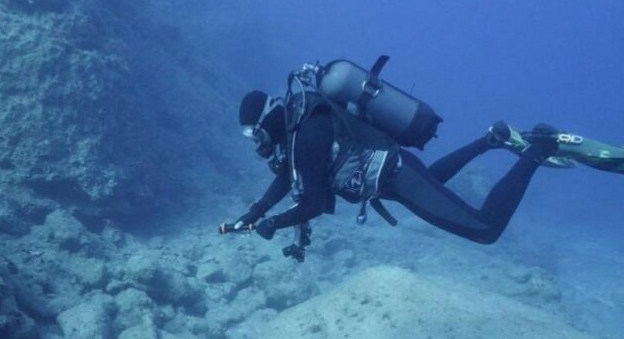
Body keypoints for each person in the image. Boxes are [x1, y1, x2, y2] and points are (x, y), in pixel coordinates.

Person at [232, 89, 560, 247]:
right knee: (430, 180)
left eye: (252, 132)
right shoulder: (299, 131)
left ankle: (537, 151)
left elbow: (313, 204)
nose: (255, 140)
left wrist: (274, 222)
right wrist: (256, 211)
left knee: (486, 229)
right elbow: (287, 178)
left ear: (266, 120)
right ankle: (490, 140)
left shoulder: (306, 135)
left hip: (399, 178)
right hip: (396, 178)